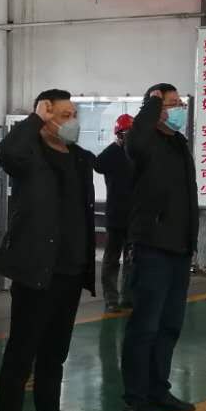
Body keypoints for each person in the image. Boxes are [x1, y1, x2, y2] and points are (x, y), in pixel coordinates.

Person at [0, 90, 99, 411]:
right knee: (21, 358)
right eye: (63, 115)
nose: (72, 121)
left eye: (73, 114)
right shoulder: (28, 156)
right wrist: (34, 118)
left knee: (54, 356)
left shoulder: (79, 159)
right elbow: (6, 151)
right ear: (46, 118)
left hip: (70, 272)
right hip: (37, 272)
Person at [120, 83, 199, 411]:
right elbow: (136, 140)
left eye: (180, 102)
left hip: (179, 247)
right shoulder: (144, 142)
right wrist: (151, 105)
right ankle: (135, 397)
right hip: (152, 246)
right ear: (154, 109)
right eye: (171, 103)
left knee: (169, 325)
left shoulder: (178, 143)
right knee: (145, 326)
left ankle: (158, 388)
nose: (179, 108)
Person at [93, 113, 136, 311]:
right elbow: (98, 164)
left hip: (134, 217)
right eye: (126, 133)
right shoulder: (111, 155)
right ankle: (111, 298)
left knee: (131, 260)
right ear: (119, 134)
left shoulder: (138, 155)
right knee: (111, 259)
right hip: (116, 216)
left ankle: (128, 297)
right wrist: (116, 146)